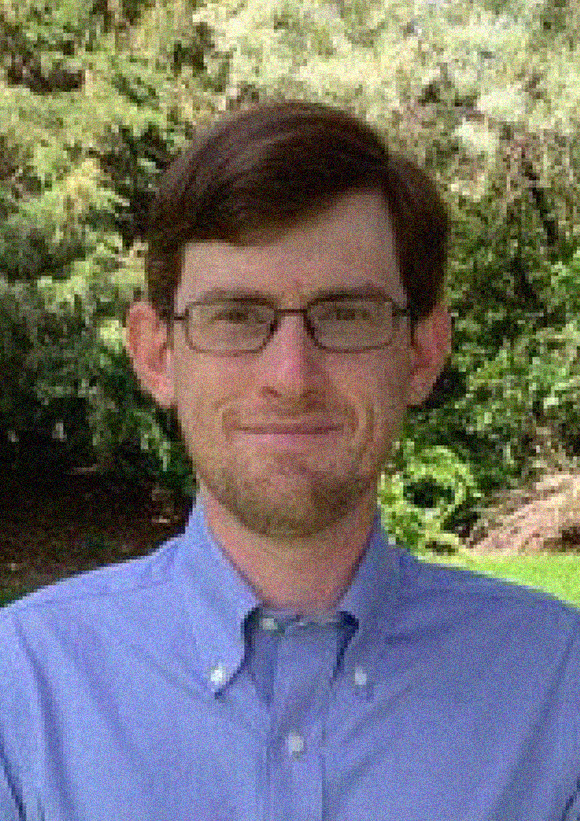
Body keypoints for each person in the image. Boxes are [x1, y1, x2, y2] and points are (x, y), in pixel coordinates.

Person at [1, 100, 579, 821]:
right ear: (157, 354)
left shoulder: (557, 690)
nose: (291, 375)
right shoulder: (21, 690)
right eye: (237, 316)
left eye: (346, 315)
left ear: (423, 352)